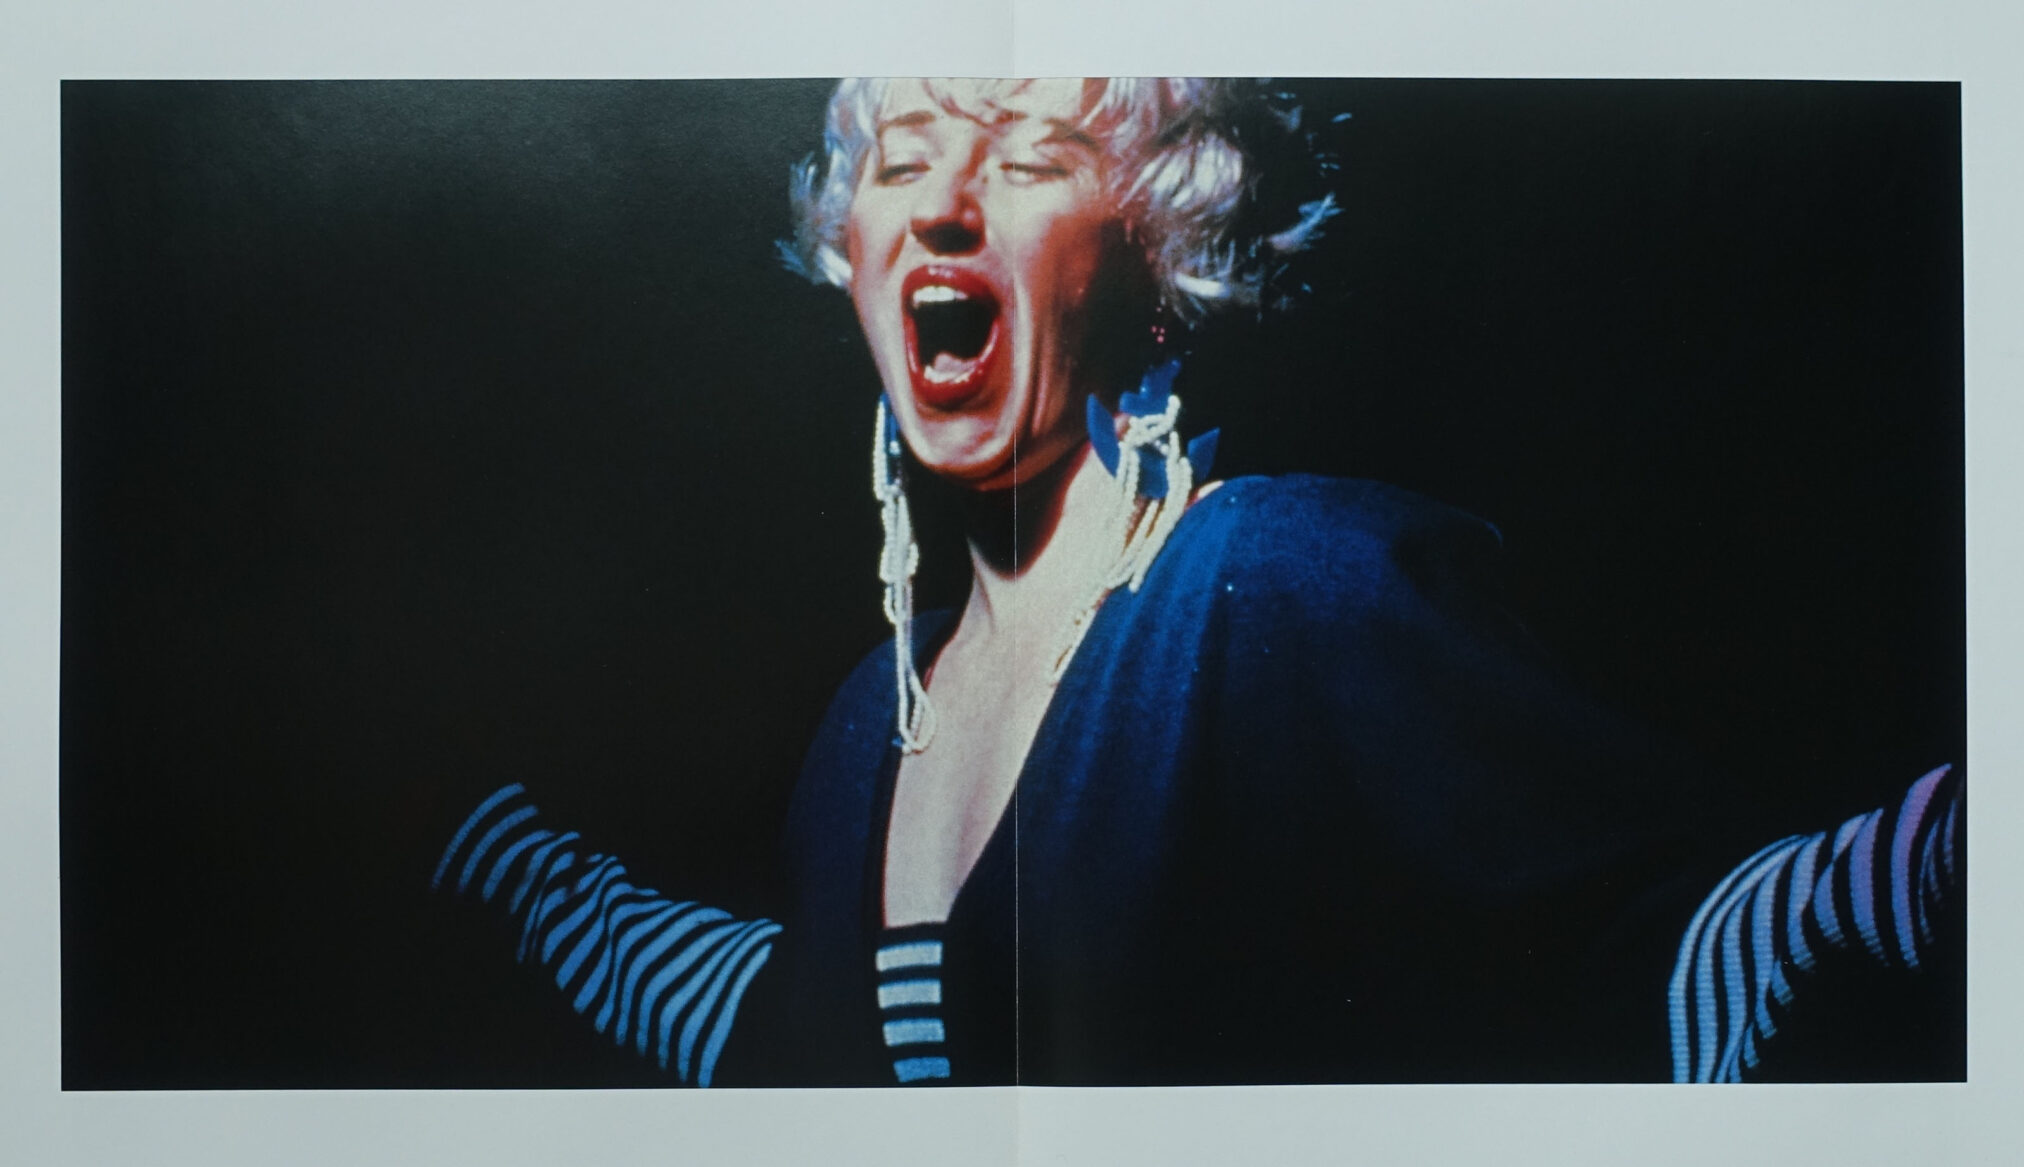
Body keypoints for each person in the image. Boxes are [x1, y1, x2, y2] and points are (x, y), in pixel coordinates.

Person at [433, 78, 1962, 1087]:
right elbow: (791, 1031)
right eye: (902, 160)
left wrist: (1955, 856)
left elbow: (1674, 951)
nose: (946, 203)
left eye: (1030, 157)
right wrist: (458, 846)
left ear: (1159, 262)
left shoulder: (1290, 585)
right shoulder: (858, 733)